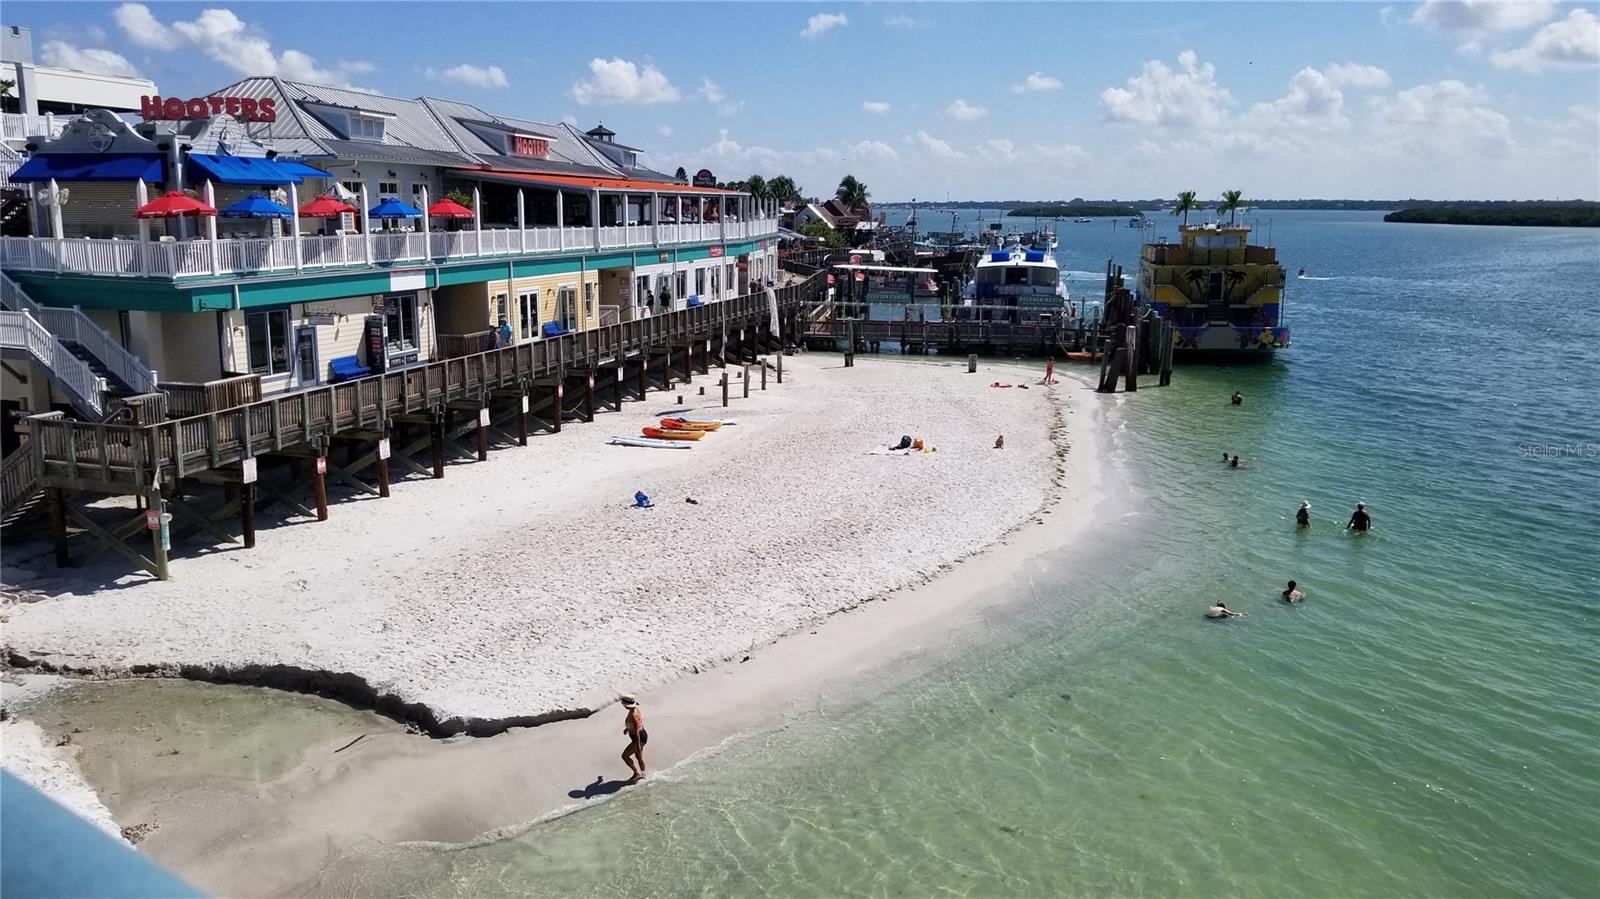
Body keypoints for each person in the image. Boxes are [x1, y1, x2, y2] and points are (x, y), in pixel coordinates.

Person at [619, 694, 648, 783]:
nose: (623, 705)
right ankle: (644, 774)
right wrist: (628, 729)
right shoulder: (635, 709)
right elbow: (639, 724)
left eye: (624, 704)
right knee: (638, 756)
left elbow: (636, 731)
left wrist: (638, 744)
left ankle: (636, 773)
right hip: (642, 735)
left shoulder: (633, 715)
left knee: (625, 756)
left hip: (638, 738)